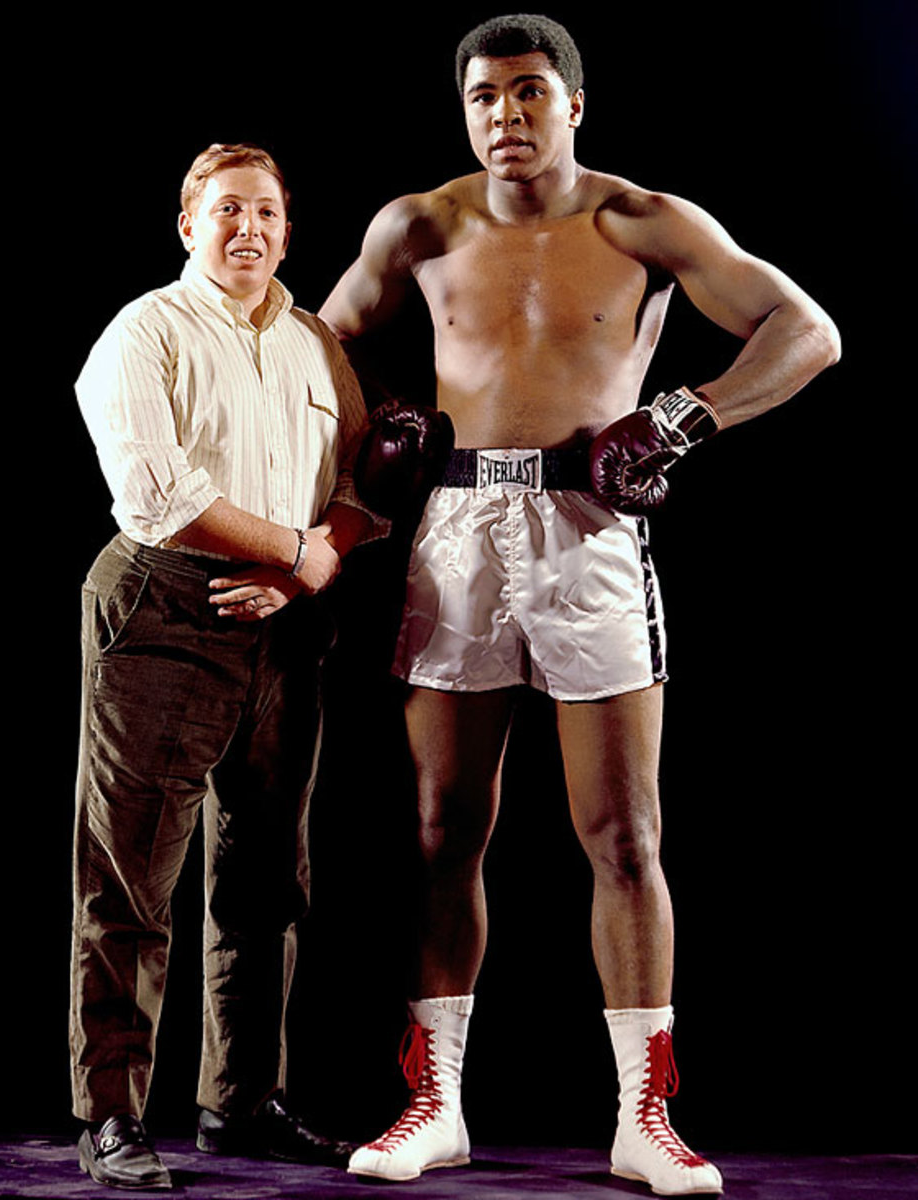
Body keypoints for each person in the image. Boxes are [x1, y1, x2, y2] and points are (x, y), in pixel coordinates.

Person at [320, 14, 839, 1196]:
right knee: (443, 829)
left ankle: (643, 1118)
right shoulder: (418, 222)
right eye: (484, 96)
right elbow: (316, 342)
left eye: (528, 93)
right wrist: (385, 419)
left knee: (623, 835)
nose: (506, 114)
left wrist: (682, 415)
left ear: (573, 105)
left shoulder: (640, 220)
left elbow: (807, 331)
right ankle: (434, 1103)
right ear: (464, 110)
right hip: (452, 532)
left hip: (590, 533)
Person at [71, 142, 380, 1189]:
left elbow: (363, 475)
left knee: (265, 884)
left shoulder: (310, 343)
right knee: (131, 880)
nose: (247, 228)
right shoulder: (142, 333)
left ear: (288, 229)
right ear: (188, 225)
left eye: (266, 212)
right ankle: (111, 1117)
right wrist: (296, 549)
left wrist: (304, 570)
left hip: (286, 626)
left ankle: (238, 1105)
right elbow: (158, 497)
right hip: (167, 605)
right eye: (226, 211)